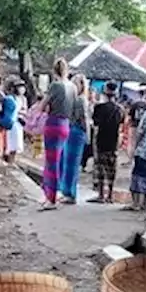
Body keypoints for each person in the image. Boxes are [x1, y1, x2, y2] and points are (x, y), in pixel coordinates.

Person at [38, 60, 74, 210]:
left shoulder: (55, 86)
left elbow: (42, 106)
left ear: (54, 71)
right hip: (66, 125)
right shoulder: (72, 86)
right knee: (59, 161)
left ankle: (50, 198)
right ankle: (54, 193)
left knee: (51, 163)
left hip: (53, 124)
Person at [89, 81, 125, 203]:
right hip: (113, 142)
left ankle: (100, 194)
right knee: (111, 169)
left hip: (101, 141)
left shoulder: (98, 108)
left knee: (100, 168)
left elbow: (95, 125)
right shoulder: (120, 109)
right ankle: (109, 194)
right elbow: (120, 127)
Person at [58, 75, 89, 204]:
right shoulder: (74, 99)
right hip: (71, 130)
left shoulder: (80, 100)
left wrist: (87, 136)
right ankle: (66, 191)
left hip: (76, 131)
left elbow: (83, 119)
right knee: (65, 161)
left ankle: (70, 193)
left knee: (71, 164)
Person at [1, 82, 23, 163]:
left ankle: (12, 161)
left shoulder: (21, 99)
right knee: (10, 143)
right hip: (11, 123)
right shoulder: (9, 98)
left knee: (16, 145)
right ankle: (8, 160)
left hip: (18, 124)